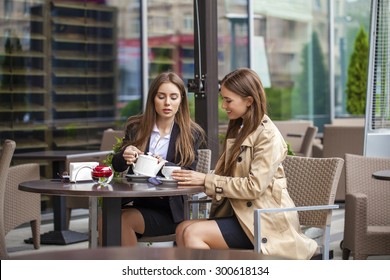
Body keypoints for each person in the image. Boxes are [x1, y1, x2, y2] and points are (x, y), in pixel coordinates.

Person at [172, 68, 318, 260]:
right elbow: (228, 177)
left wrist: (207, 180)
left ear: (249, 101)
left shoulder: (268, 136)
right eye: (222, 99)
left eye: (228, 100)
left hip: (264, 221)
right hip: (241, 215)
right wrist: (199, 181)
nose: (223, 106)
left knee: (193, 233)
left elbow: (254, 187)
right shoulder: (240, 129)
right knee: (182, 228)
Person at [111, 71, 206, 246]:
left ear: (181, 100)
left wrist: (162, 165)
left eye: (173, 97)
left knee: (120, 221)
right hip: (137, 201)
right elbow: (116, 166)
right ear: (153, 99)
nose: (167, 103)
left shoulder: (191, 133)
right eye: (161, 96)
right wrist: (125, 154)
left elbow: (190, 174)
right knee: (107, 219)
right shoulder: (136, 127)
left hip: (170, 210)